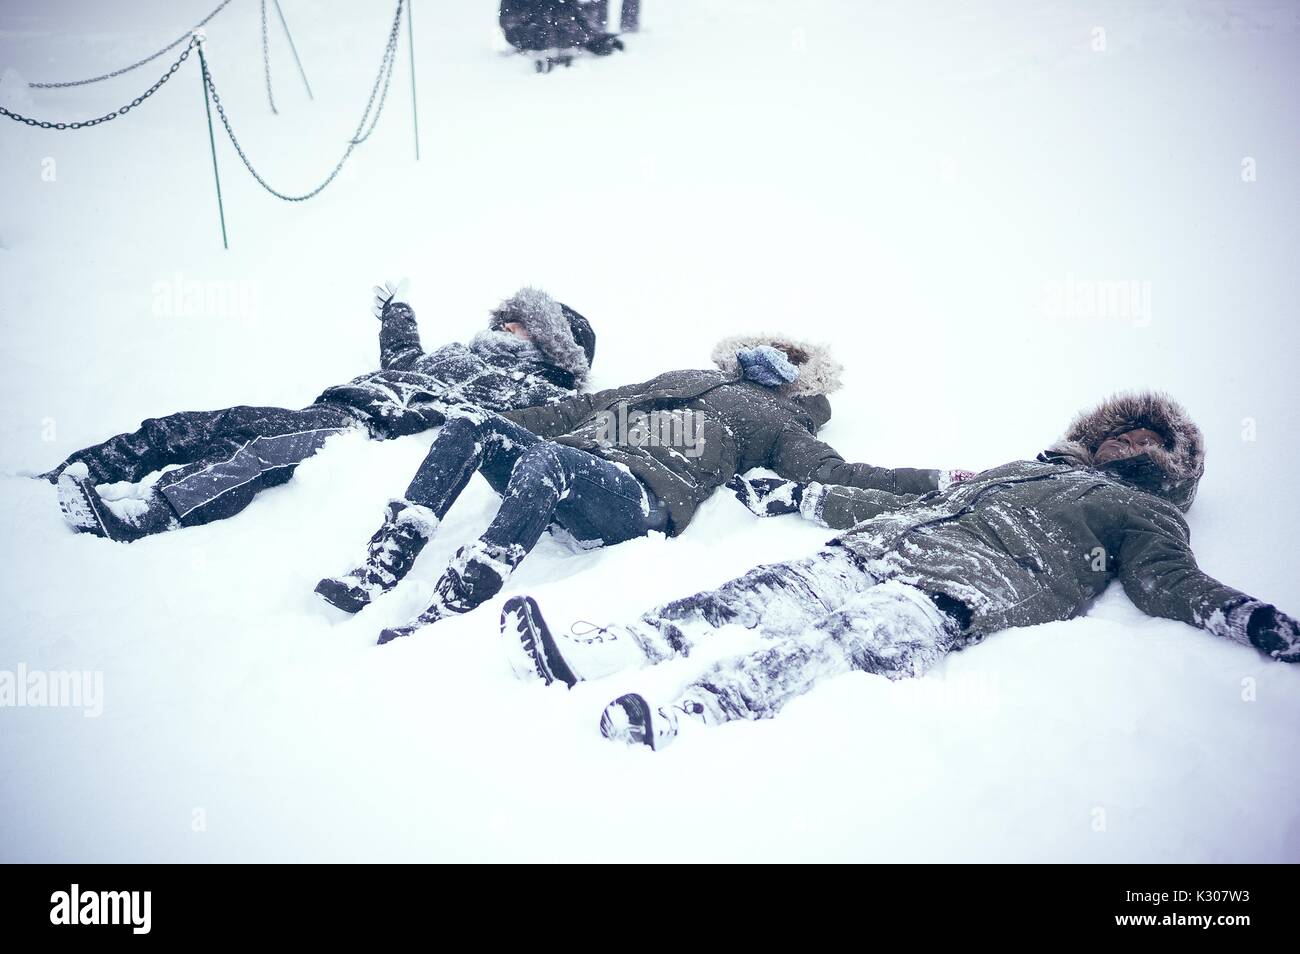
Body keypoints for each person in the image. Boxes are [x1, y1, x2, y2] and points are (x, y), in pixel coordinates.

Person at [501, 391, 1300, 749]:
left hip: (964, 590)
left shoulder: (1145, 515)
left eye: (1147, 441)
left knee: (836, 642)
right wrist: (805, 495)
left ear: (1167, 469)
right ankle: (605, 652)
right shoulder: (1014, 468)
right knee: (757, 594)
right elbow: (893, 494)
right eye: (1122, 429)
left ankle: (691, 717)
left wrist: (1250, 617)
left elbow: (1169, 581)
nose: (1128, 441)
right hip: (882, 547)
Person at [315, 335, 967, 644]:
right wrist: (474, 427)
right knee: (480, 430)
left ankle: (470, 583)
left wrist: (933, 482)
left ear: (800, 383)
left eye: (789, 361)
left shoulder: (778, 422)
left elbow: (838, 477)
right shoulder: (683, 374)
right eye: (770, 348)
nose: (773, 359)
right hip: (568, 462)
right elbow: (588, 406)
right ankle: (387, 558)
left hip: (637, 500)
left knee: (549, 460)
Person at [44, 285, 596, 542]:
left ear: (549, 344)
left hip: (366, 427)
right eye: (507, 319)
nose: (505, 326)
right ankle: (89, 466)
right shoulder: (459, 352)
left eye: (520, 324)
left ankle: (147, 515)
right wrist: (396, 312)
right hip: (337, 403)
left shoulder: (529, 389)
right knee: (212, 422)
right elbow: (404, 361)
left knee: (255, 456)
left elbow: (564, 421)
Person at [499, 0, 624, 72]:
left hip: (551, 41)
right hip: (528, 42)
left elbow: (578, 18)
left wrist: (595, 39)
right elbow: (510, 23)